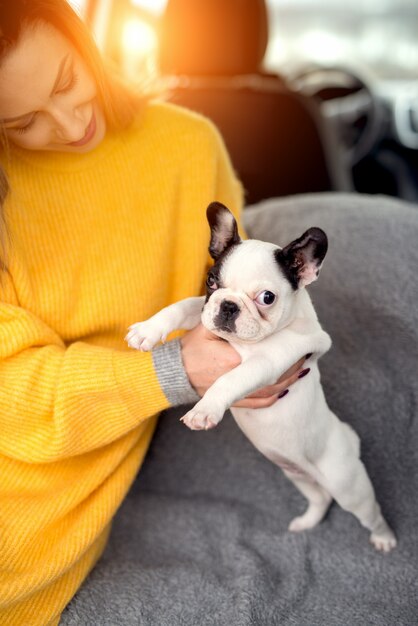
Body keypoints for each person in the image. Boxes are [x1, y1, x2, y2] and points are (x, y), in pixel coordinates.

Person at [0, 1, 307, 623]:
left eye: (65, 81)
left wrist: (247, 358)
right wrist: (172, 371)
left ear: (82, 41)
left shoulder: (189, 146)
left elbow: (245, 285)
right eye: (22, 120)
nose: (67, 122)